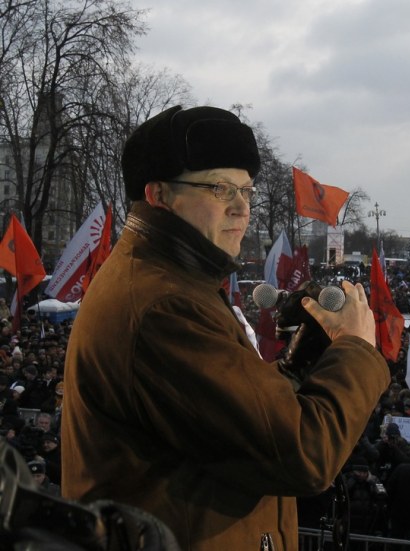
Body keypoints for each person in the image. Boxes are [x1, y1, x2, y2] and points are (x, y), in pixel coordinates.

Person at [60, 105, 390, 551]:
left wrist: (301, 360)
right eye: (219, 188)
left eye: (247, 191)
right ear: (158, 195)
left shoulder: (174, 283)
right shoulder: (165, 307)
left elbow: (232, 421)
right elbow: (303, 452)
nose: (241, 207)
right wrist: (355, 349)